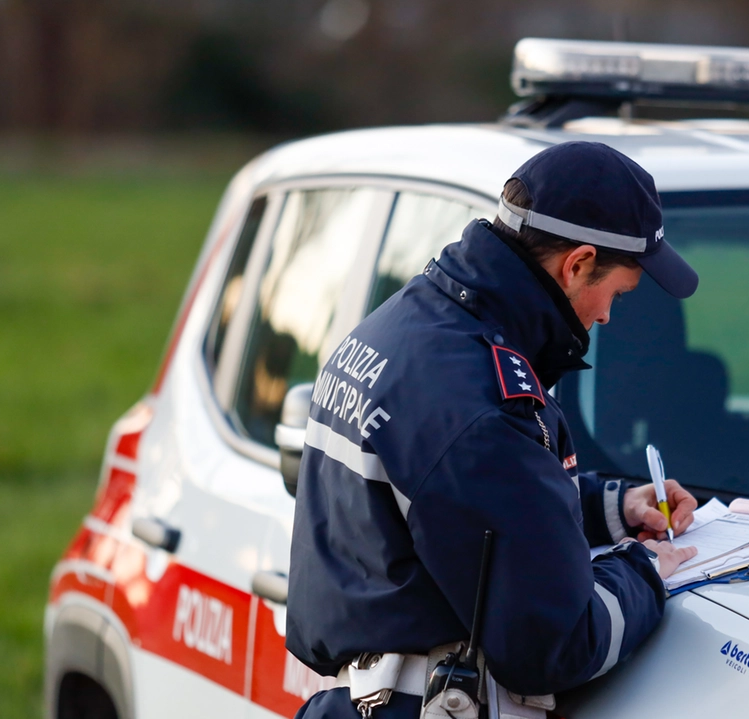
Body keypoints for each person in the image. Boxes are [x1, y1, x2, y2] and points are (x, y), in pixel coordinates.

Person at [286, 141, 701, 719]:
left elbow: (457, 506)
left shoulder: (409, 326)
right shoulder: (480, 397)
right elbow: (554, 644)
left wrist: (614, 507)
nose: (607, 315)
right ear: (577, 263)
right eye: (618, 293)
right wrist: (643, 569)